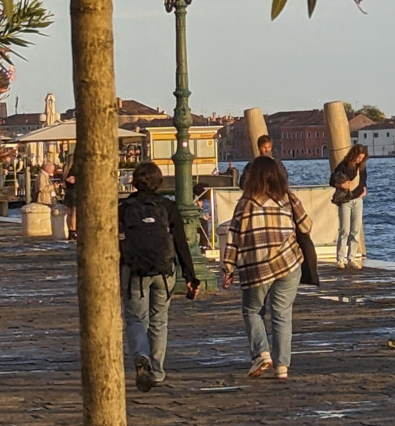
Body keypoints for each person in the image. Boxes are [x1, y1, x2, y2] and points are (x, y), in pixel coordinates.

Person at [221, 156, 310, 381]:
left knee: (252, 311)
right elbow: (307, 226)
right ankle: (282, 367)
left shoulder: (246, 203)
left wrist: (228, 267)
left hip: (256, 265)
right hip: (287, 263)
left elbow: (234, 238)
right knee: (282, 314)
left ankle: (261, 352)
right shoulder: (289, 199)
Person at [119, 161, 200, 391]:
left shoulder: (124, 208)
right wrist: (191, 274)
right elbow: (181, 243)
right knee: (159, 320)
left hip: (135, 270)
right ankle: (156, 370)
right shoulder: (168, 206)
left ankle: (140, 355)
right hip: (165, 272)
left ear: (134, 182)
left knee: (136, 318)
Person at [329, 144, 368, 270]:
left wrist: (364, 189)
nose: (360, 160)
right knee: (344, 230)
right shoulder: (343, 166)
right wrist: (340, 185)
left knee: (355, 229)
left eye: (362, 158)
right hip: (345, 200)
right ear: (353, 155)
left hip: (358, 199)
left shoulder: (361, 167)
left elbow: (363, 181)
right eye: (358, 157)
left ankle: (352, 258)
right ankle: (340, 259)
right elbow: (331, 180)